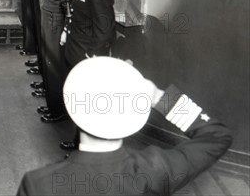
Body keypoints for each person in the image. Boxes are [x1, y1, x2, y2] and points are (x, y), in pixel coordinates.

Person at [17, 56, 233, 195]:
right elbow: (217, 136)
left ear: (74, 114)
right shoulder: (158, 170)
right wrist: (159, 98)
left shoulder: (38, 185)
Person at [59, 0, 116, 150]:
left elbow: (105, 29)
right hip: (76, 49)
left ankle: (86, 148)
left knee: (87, 105)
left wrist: (92, 56)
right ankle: (79, 141)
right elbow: (75, 12)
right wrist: (66, 31)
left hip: (86, 55)